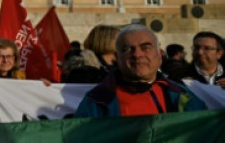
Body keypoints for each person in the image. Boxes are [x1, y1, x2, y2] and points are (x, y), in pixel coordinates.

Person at [74, 25, 207, 118]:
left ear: (160, 55)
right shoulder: (96, 100)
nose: (137, 54)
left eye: (146, 48)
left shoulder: (183, 96)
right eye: (127, 49)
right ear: (118, 57)